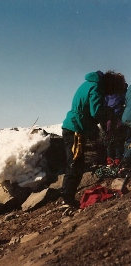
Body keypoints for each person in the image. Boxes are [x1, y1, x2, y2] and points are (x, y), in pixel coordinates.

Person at [61, 71, 124, 207]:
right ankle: (67, 199)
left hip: (75, 126)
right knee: (75, 162)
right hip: (75, 129)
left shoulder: (90, 84)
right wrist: (108, 117)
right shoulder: (96, 87)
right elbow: (95, 111)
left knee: (77, 162)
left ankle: (68, 197)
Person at [103, 79, 127, 166]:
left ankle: (109, 159)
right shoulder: (120, 94)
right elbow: (125, 101)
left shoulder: (106, 94)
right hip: (117, 118)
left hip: (108, 119)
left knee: (109, 139)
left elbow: (104, 105)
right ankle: (118, 158)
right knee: (118, 139)